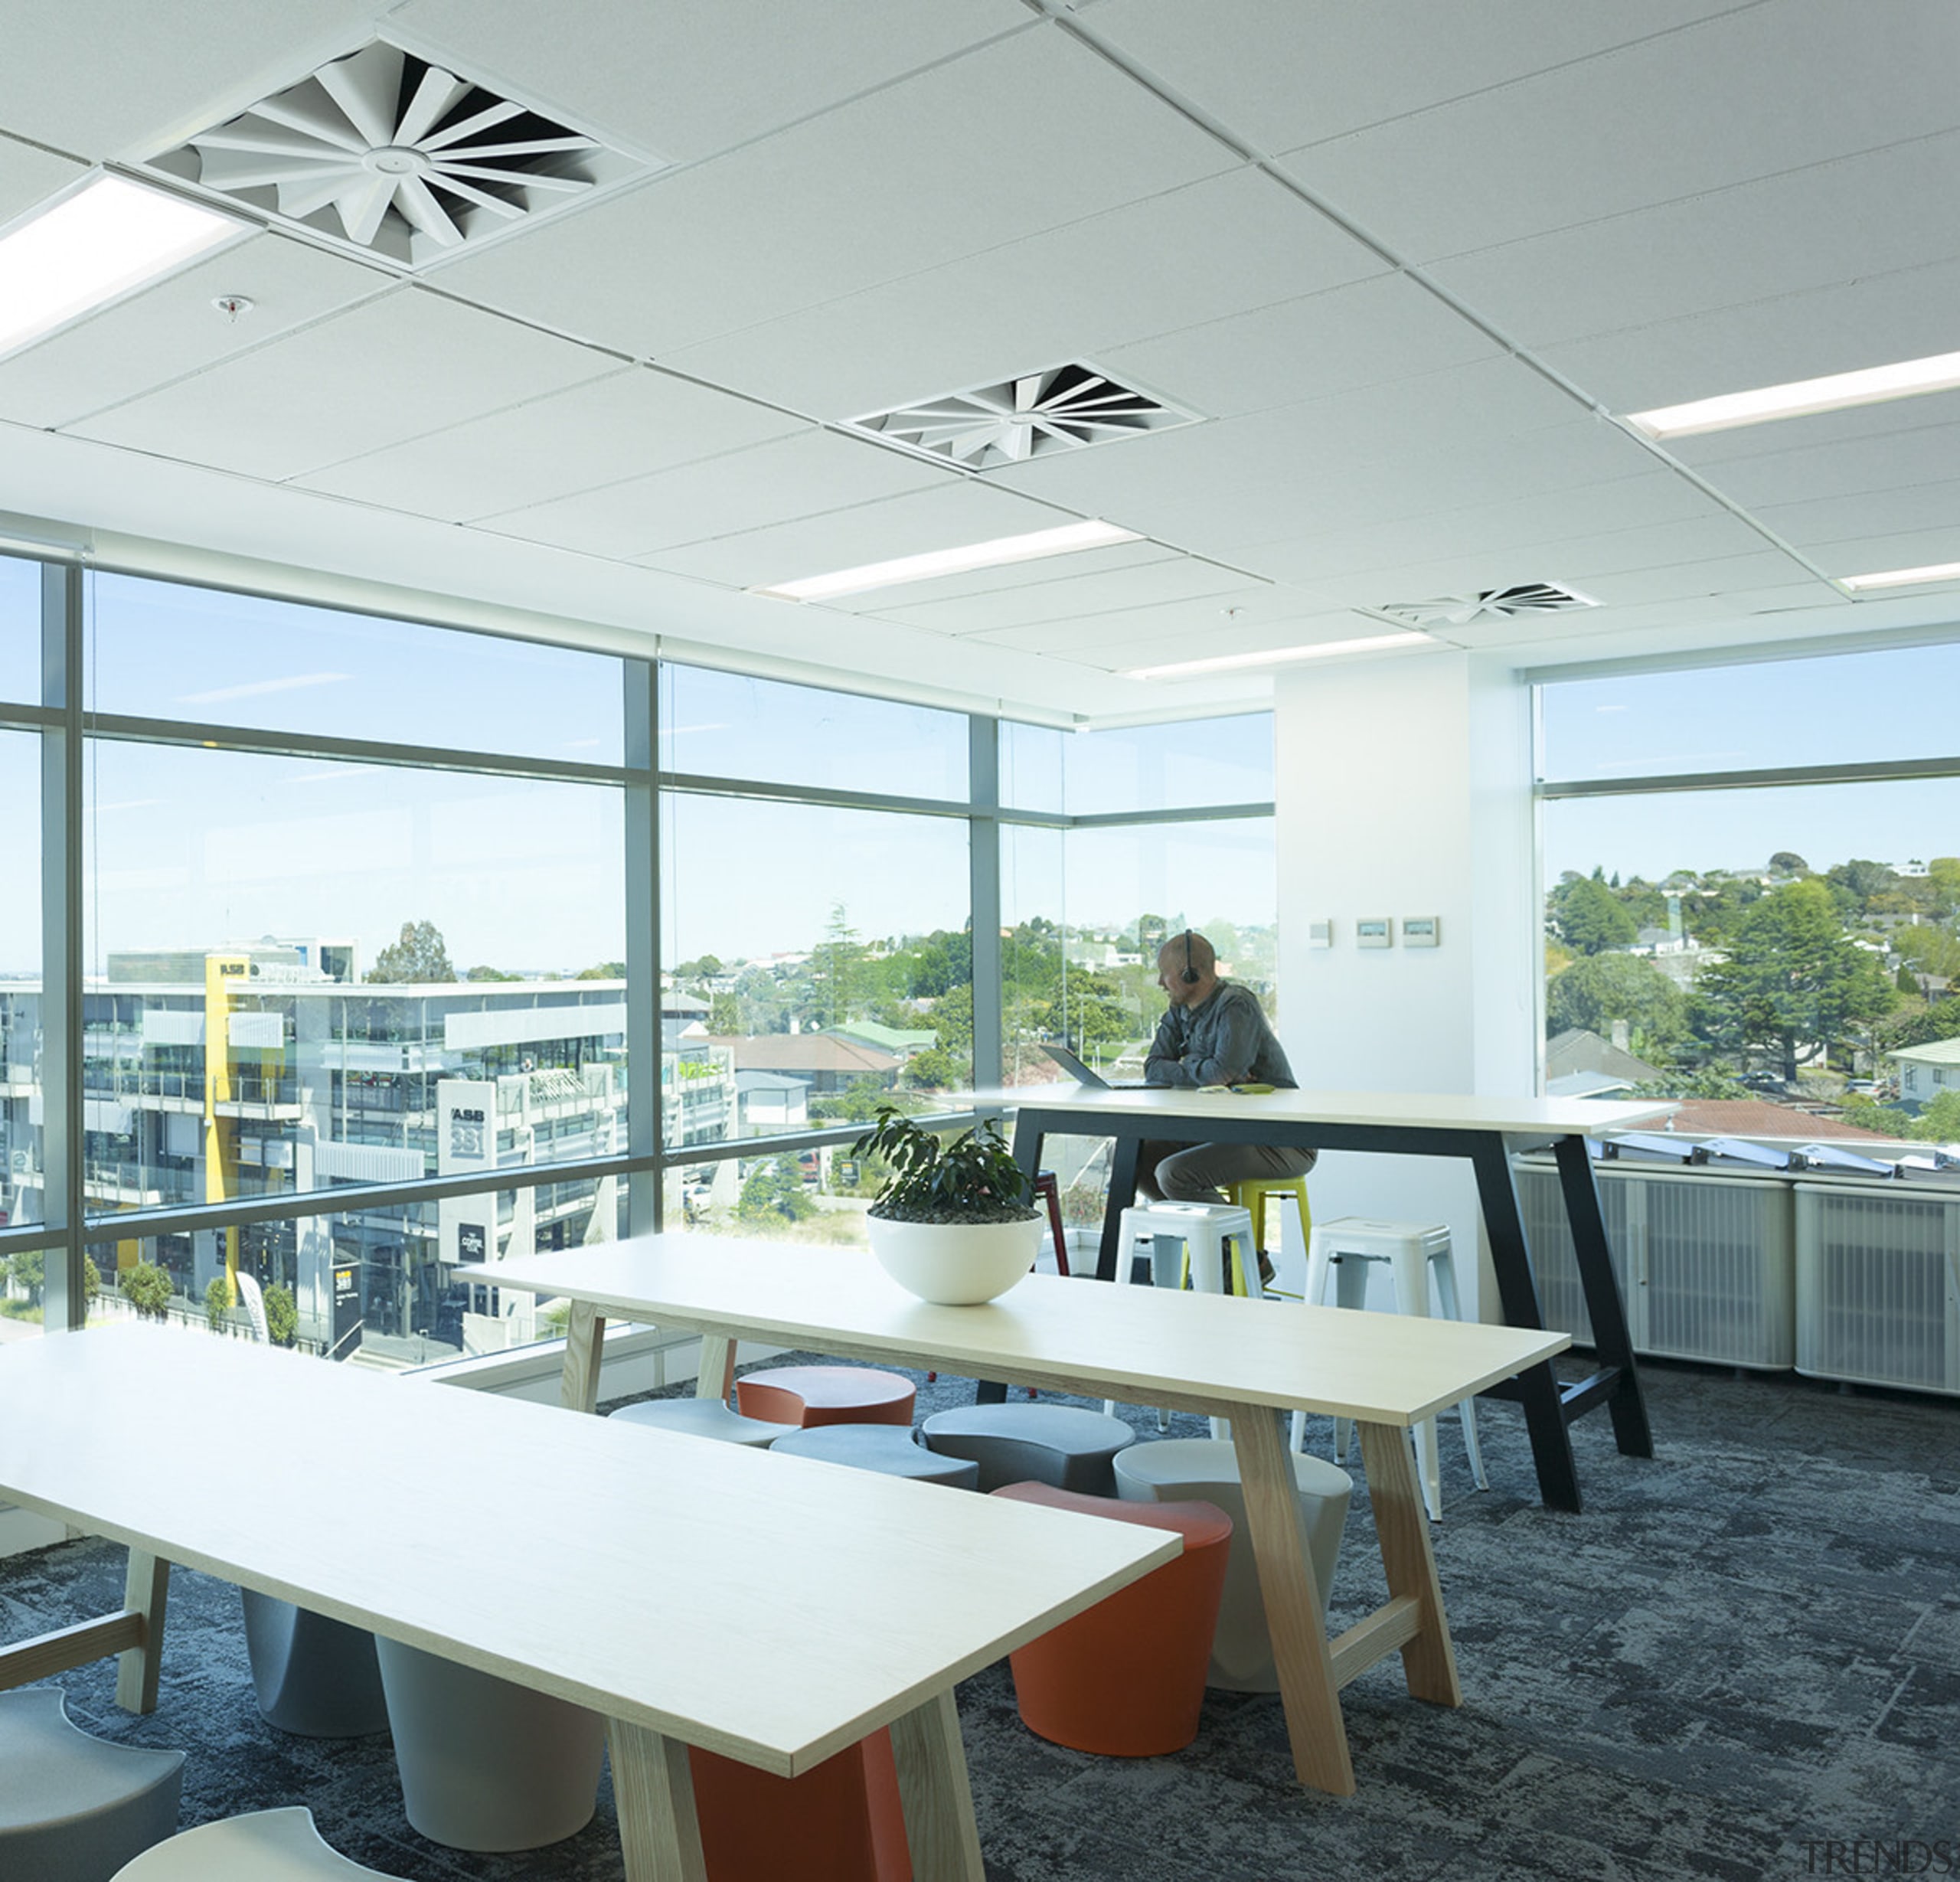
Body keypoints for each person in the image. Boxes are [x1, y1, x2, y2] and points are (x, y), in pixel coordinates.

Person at [1135, 931, 1315, 1282]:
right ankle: (1231, 1255)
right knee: (1138, 1158)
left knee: (1174, 1173)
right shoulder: (1179, 1011)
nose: (1160, 982)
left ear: (1189, 973)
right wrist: (1206, 1071)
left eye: (1164, 973)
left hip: (1279, 1141)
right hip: (1222, 1136)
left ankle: (1241, 1258)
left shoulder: (1237, 1005)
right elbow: (1154, 1066)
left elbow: (1224, 1071)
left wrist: (1201, 1069)